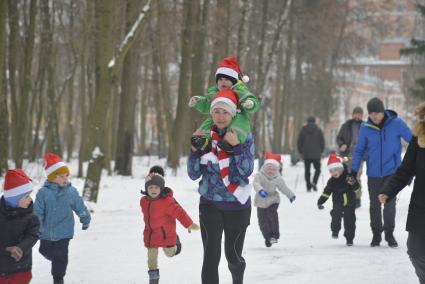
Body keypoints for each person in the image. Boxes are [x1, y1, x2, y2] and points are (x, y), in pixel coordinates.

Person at [188, 89, 254, 284]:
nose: (220, 116)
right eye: (216, 111)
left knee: (233, 258)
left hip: (237, 206)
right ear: (211, 114)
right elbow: (193, 174)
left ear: (233, 114)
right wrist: (194, 150)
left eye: (225, 112)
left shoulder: (241, 135)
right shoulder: (205, 136)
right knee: (210, 258)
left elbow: (246, 171)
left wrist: (237, 148)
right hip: (210, 205)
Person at [349, 97, 412, 247]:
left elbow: (413, 141)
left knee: (389, 205)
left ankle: (389, 234)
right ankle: (376, 234)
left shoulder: (396, 123)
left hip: (392, 173)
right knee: (375, 205)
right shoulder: (366, 128)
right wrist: (353, 171)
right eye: (371, 114)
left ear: (383, 111)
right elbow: (359, 150)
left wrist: (409, 166)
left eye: (377, 113)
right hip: (374, 173)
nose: (375, 116)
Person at [378, 101, 425, 284]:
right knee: (415, 251)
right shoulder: (419, 139)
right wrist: (388, 190)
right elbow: (405, 170)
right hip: (421, 206)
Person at [34, 153, 91, 284]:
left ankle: (58, 278)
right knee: (44, 250)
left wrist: (85, 219)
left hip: (64, 232)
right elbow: (38, 212)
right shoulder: (43, 193)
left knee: (61, 256)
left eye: (66, 176)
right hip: (46, 232)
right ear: (52, 177)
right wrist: (37, 227)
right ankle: (59, 261)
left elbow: (80, 207)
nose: (65, 179)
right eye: (61, 176)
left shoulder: (71, 192)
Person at [140, 166, 199, 284]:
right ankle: (153, 280)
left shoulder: (167, 202)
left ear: (161, 189)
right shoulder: (143, 201)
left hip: (166, 234)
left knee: (169, 253)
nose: (153, 190)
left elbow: (180, 213)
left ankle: (176, 244)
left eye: (156, 187)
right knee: (151, 259)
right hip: (151, 235)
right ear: (146, 189)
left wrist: (189, 224)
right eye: (150, 187)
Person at [189, 57, 260, 152]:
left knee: (239, 123)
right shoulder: (215, 93)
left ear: (234, 82)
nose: (223, 81)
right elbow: (208, 104)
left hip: (238, 116)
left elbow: (250, 98)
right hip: (220, 117)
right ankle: (203, 141)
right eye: (220, 79)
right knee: (210, 121)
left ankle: (230, 142)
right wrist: (198, 101)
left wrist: (250, 104)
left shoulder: (240, 91)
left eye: (227, 79)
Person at [0, 169, 39, 284]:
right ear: (14, 199)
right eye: (26, 196)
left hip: (21, 267)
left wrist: (21, 248)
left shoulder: (31, 217)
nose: (30, 199)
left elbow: (33, 235)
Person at [253, 152, 295, 247]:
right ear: (264, 166)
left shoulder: (278, 178)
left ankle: (275, 235)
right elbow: (256, 183)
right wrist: (260, 190)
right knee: (262, 221)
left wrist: (290, 195)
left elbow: (283, 188)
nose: (270, 170)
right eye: (268, 168)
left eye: (273, 169)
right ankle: (268, 238)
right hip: (261, 201)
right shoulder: (259, 175)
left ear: (277, 169)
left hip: (273, 200)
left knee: (271, 215)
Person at [317, 154, 359, 246]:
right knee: (336, 215)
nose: (334, 172)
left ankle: (349, 238)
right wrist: (320, 201)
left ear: (341, 169)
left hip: (350, 202)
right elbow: (326, 192)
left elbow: (357, 189)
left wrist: (353, 183)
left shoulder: (348, 177)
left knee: (350, 220)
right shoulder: (331, 181)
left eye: (336, 170)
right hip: (337, 201)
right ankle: (335, 230)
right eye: (331, 171)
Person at [336, 106, 365, 208]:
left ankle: (357, 199)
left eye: (359, 114)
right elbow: (339, 138)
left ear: (362, 115)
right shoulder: (346, 125)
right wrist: (341, 145)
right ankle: (348, 197)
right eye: (356, 114)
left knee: (356, 178)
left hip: (359, 157)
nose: (357, 116)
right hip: (347, 156)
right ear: (352, 114)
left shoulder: (365, 126)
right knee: (347, 177)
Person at [297, 116, 325, 192]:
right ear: (315, 121)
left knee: (307, 171)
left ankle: (308, 186)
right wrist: (321, 151)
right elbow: (322, 142)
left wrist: (300, 152)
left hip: (306, 154)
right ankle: (314, 182)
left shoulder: (303, 130)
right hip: (316, 154)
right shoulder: (318, 130)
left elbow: (299, 142)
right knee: (318, 169)